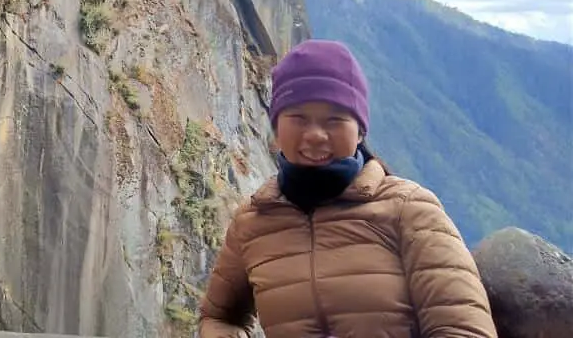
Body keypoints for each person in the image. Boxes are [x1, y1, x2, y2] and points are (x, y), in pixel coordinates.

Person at [198, 39, 497, 338]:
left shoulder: (409, 209)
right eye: (298, 118)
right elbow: (217, 317)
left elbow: (464, 329)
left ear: (360, 131)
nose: (315, 134)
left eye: (335, 120)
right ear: (277, 127)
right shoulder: (252, 223)